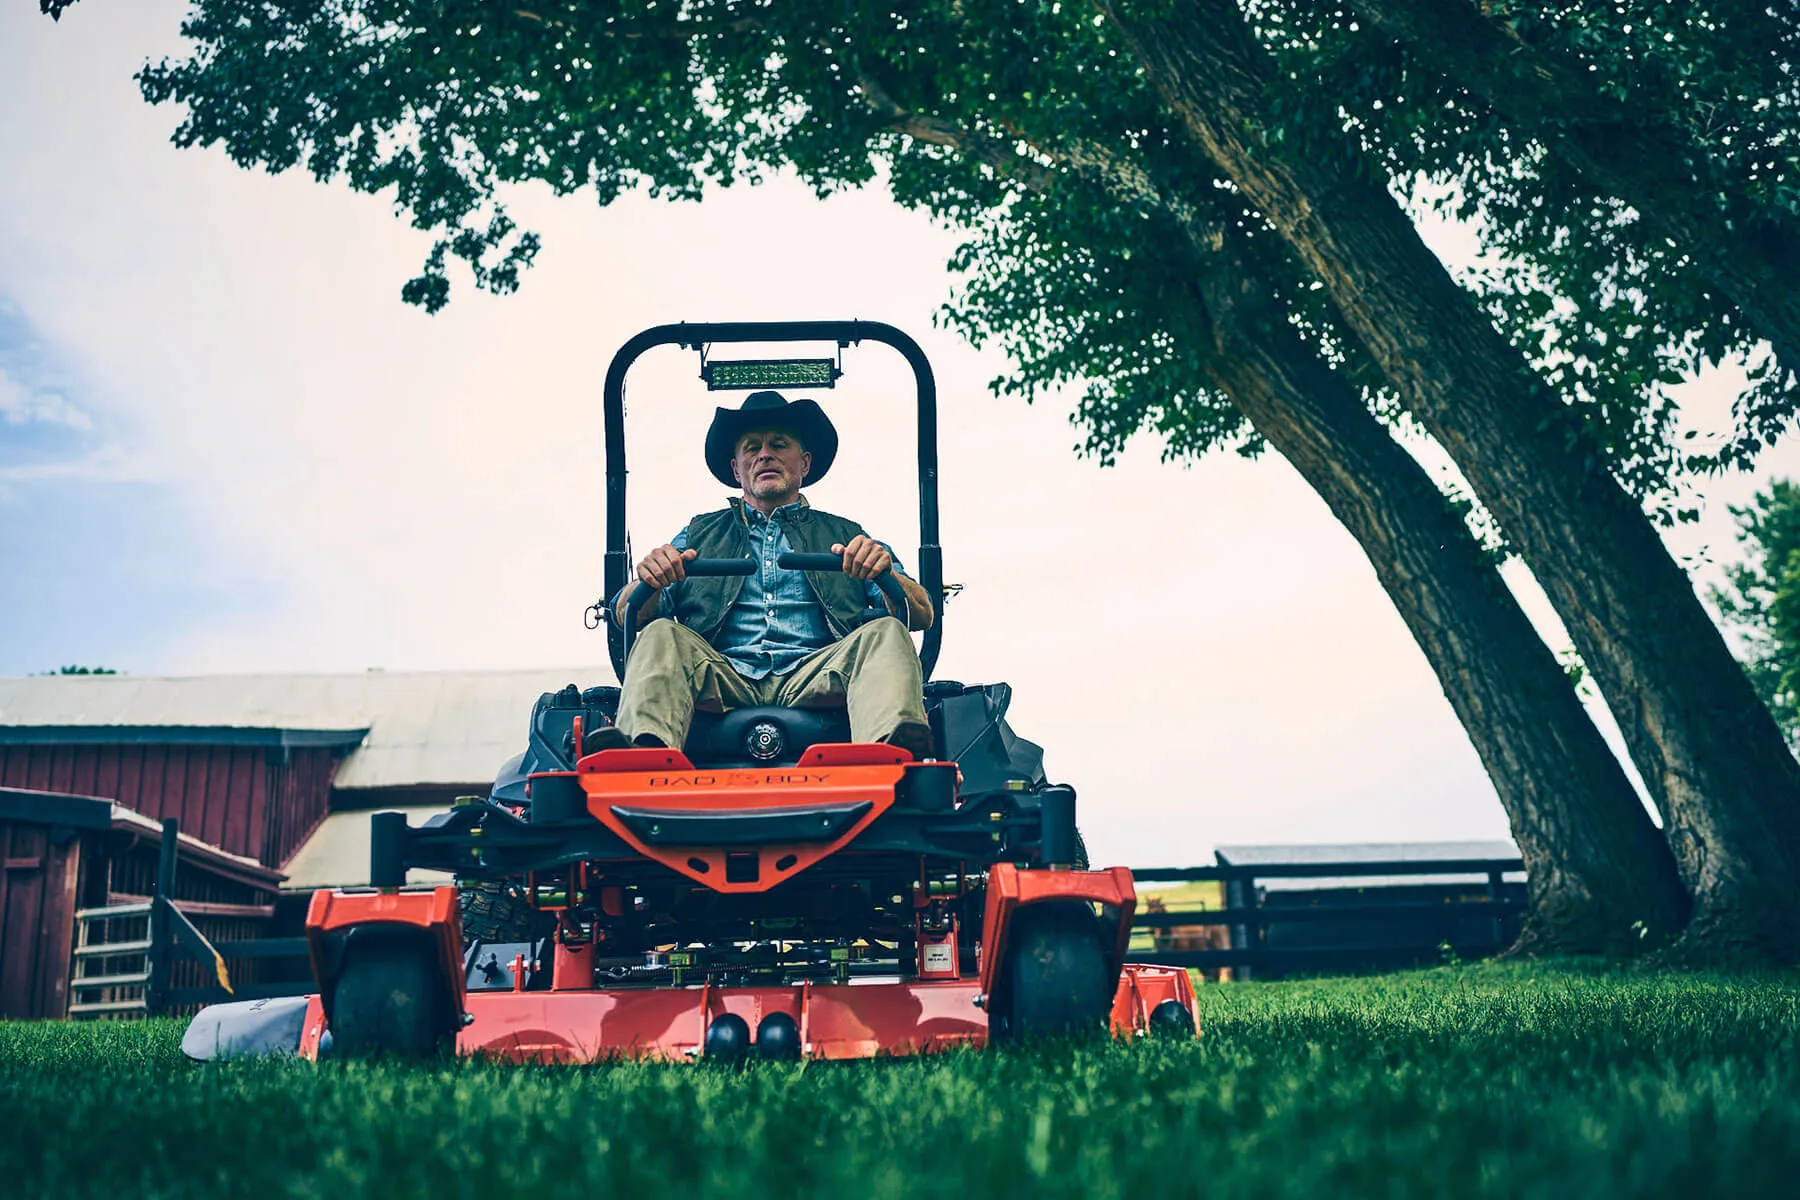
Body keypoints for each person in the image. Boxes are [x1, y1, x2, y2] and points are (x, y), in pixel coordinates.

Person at [599, 390, 936, 758]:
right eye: (751, 448)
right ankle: (642, 754)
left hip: (818, 670)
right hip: (721, 672)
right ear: (736, 468)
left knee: (886, 630)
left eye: (778, 444)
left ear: (804, 463)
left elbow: (921, 613)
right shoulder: (699, 534)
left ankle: (891, 753)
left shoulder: (846, 535)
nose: (764, 455)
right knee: (660, 633)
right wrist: (650, 577)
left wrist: (884, 573)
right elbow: (626, 614)